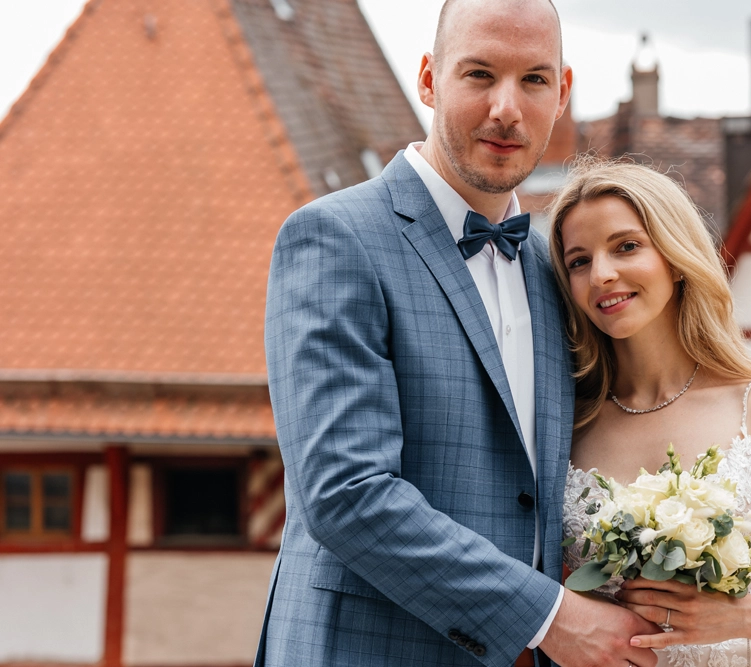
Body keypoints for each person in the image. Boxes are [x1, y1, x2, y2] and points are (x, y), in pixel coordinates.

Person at [255, 1, 668, 666]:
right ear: (428, 78)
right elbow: (346, 492)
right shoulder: (334, 239)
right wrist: (548, 616)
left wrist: (717, 563)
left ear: (561, 94)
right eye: (479, 74)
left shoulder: (556, 267)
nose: (507, 108)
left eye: (534, 80)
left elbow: (606, 447)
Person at [549, 160, 751, 665]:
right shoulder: (562, 427)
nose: (602, 274)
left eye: (626, 246)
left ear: (675, 258)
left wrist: (743, 615)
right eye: (579, 261)